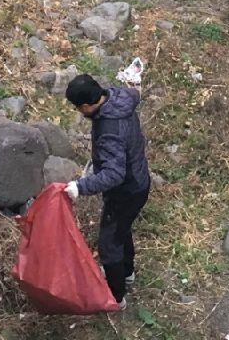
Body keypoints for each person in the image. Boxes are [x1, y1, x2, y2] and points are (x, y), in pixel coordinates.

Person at [64, 73, 151, 309]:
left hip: (126, 192)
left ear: (85, 106)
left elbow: (114, 175)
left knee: (109, 244)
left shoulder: (108, 128)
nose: (80, 113)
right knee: (121, 229)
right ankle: (127, 273)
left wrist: (80, 187)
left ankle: (115, 297)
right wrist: (97, 163)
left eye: (78, 109)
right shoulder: (118, 98)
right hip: (139, 180)